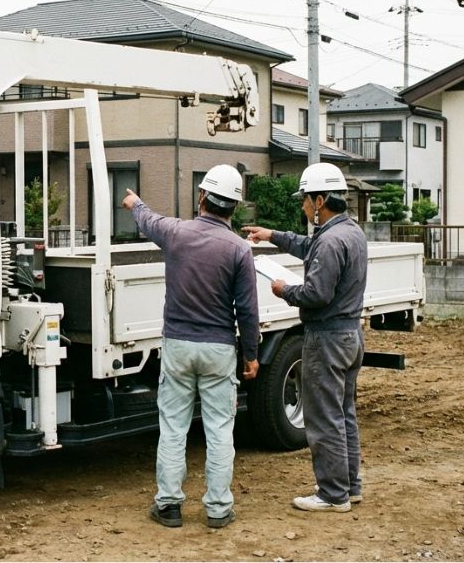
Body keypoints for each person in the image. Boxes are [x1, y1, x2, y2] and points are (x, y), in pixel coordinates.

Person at [121, 164, 260, 529]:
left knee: (173, 428)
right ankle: (217, 509)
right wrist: (252, 355)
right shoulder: (239, 250)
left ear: (202, 197)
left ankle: (168, 506)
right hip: (218, 349)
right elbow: (247, 310)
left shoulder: (177, 234)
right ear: (234, 207)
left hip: (179, 345)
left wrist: (135, 202)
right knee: (218, 430)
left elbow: (148, 219)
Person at [242, 162, 368, 513]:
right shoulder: (350, 232)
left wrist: (284, 290)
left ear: (320, 199)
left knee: (324, 417)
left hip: (327, 338)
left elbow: (316, 294)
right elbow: (307, 246)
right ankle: (349, 485)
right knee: (343, 413)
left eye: (305, 200)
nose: (302, 206)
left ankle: (332, 494)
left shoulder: (329, 241)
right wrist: (272, 235)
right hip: (349, 335)